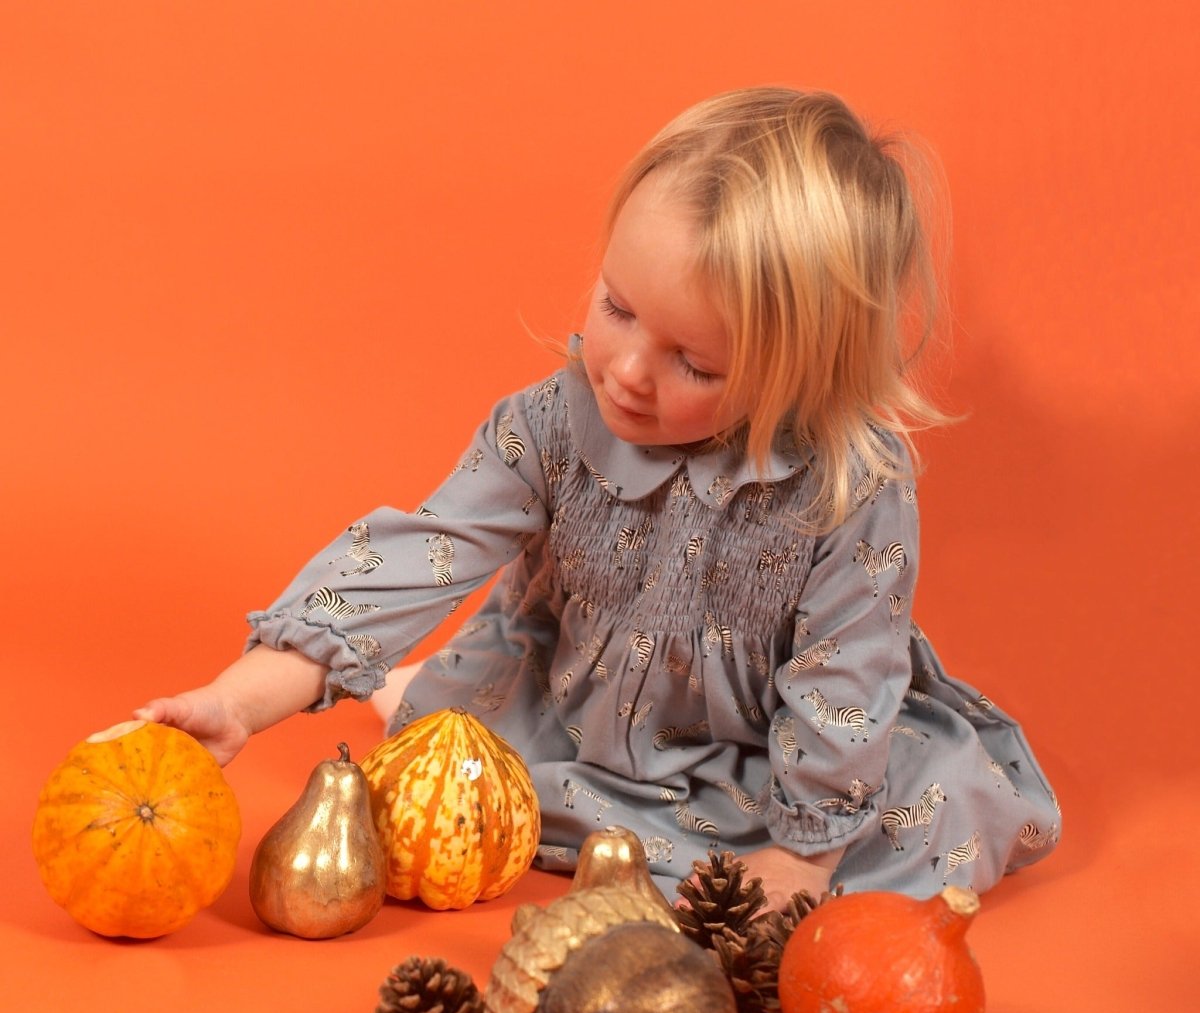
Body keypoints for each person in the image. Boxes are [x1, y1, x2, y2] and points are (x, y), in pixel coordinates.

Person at [136, 87, 1059, 908]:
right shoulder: (551, 423)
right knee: (471, 773)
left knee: (916, 835)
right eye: (617, 307)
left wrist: (803, 858)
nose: (624, 371)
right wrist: (240, 700)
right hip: (567, 714)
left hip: (767, 755)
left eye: (693, 363)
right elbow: (416, 556)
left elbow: (843, 686)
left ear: (804, 374)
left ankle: (771, 839)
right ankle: (434, 691)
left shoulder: (853, 488)